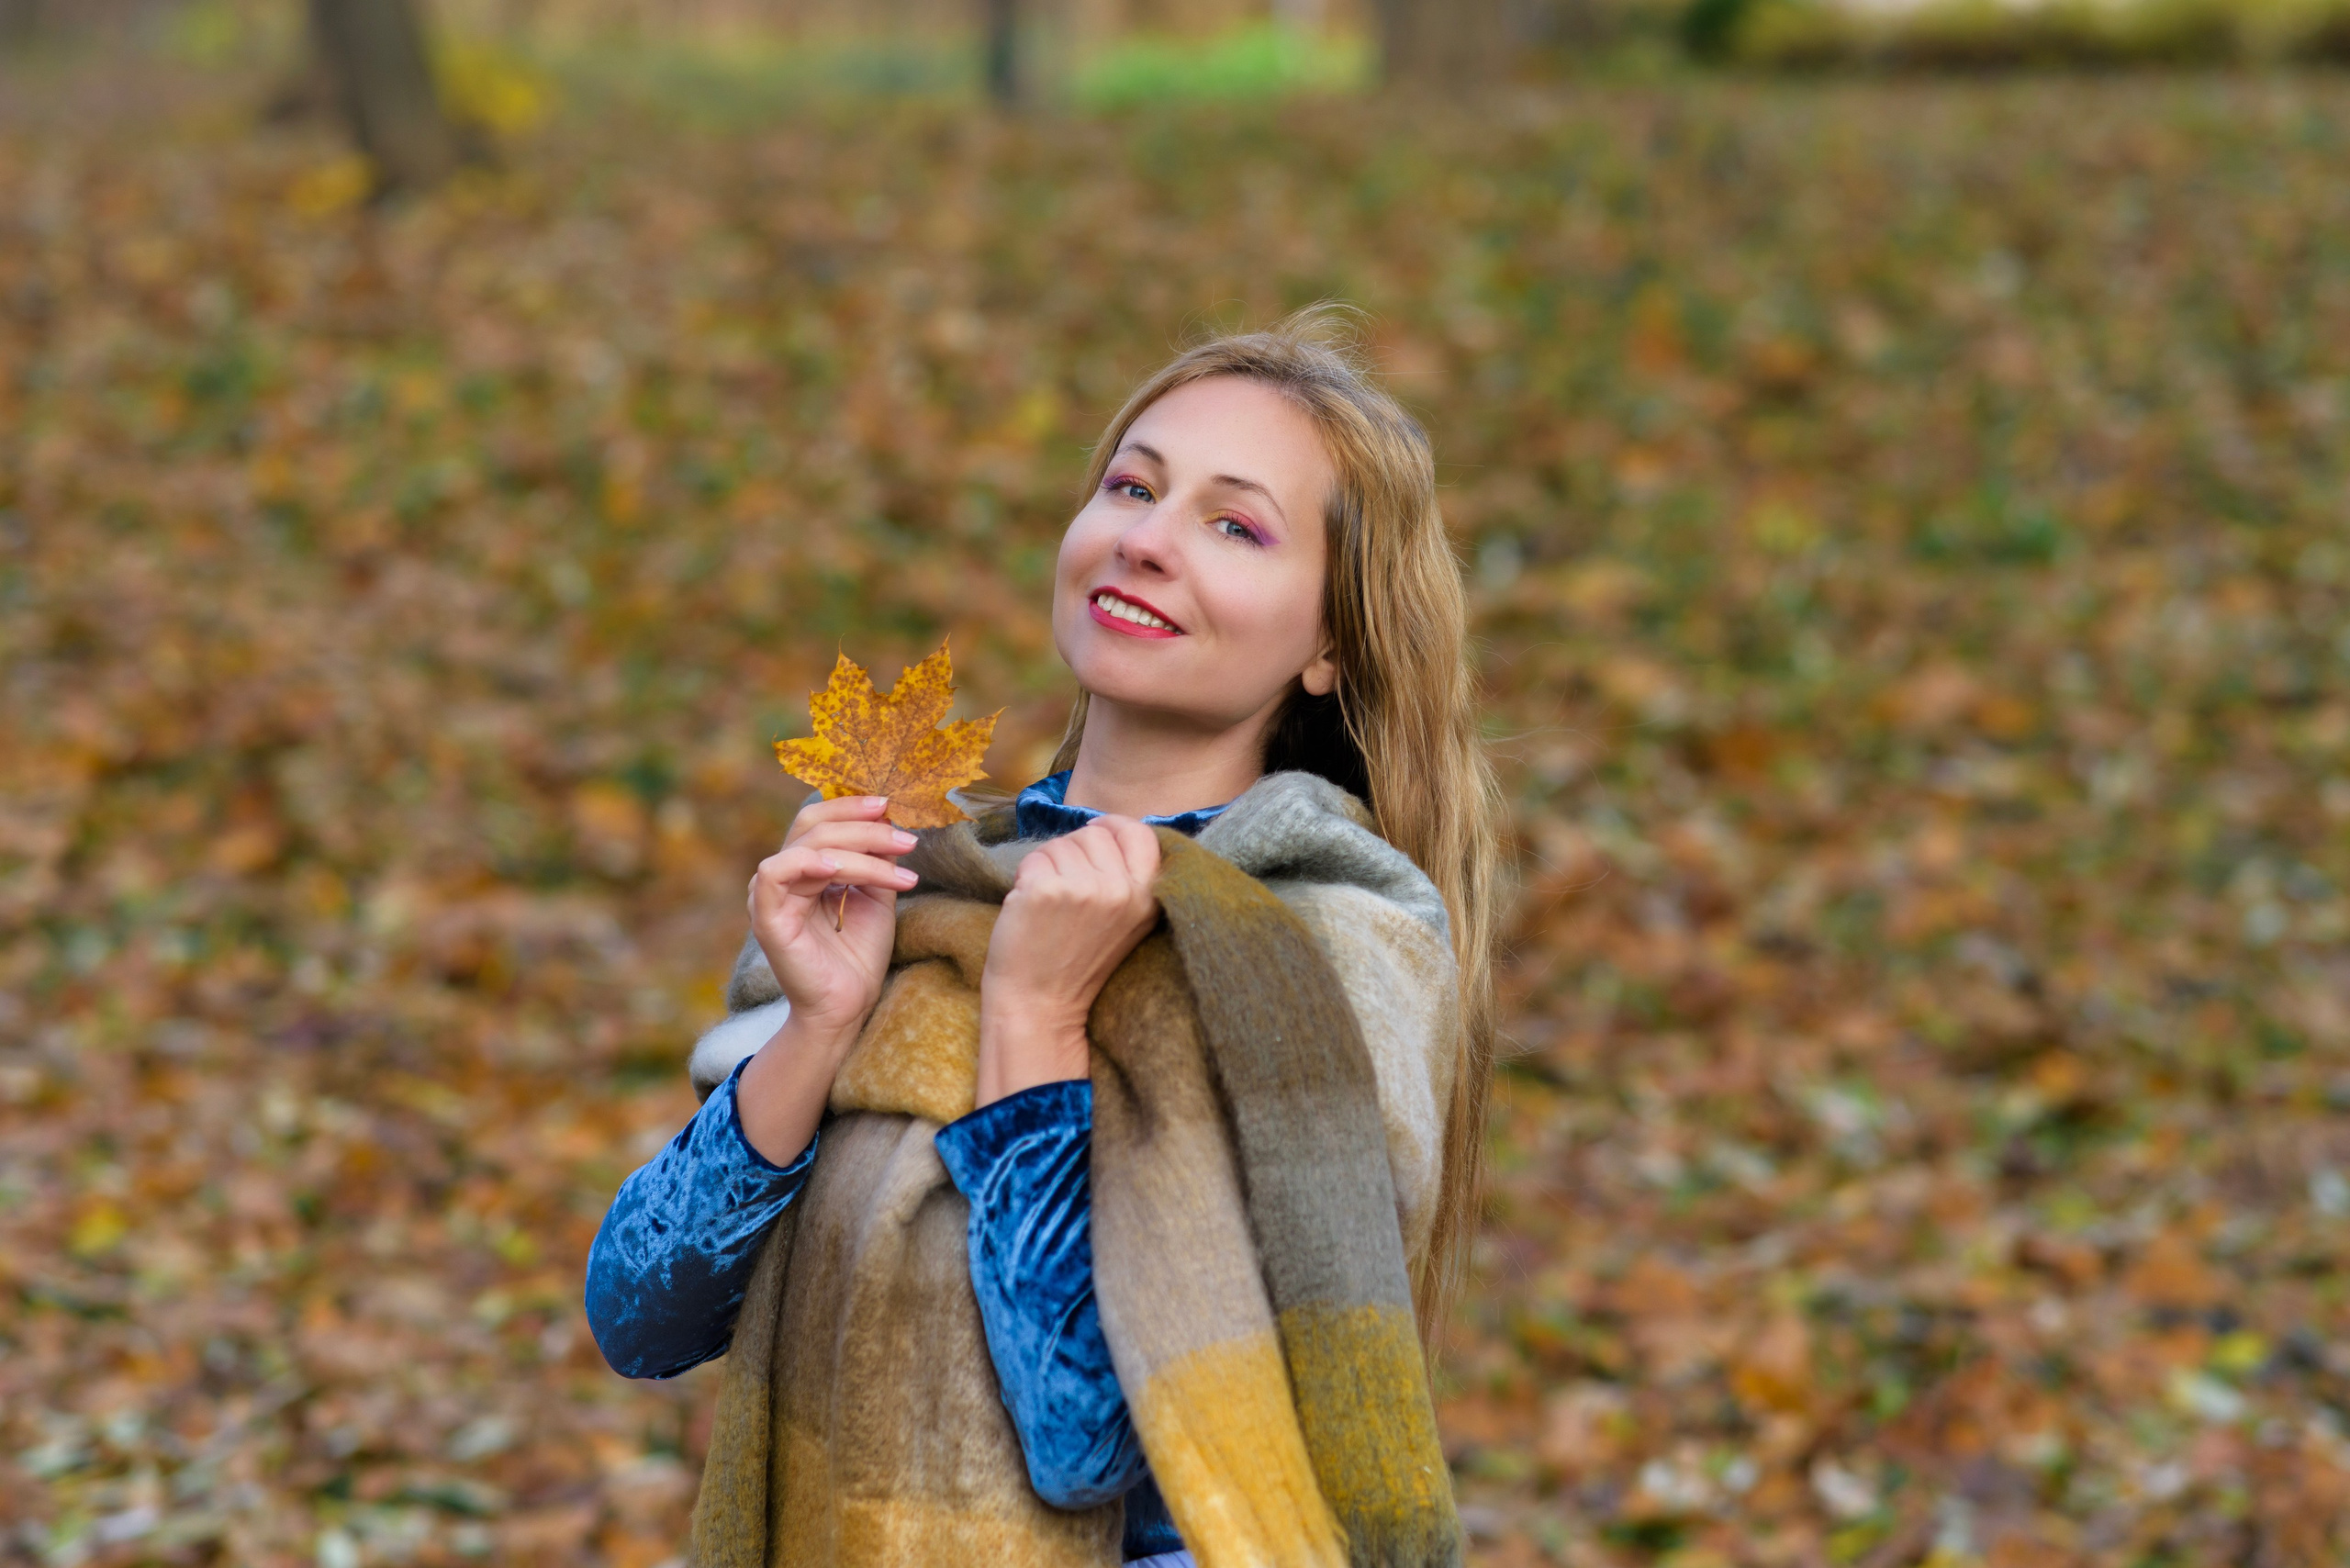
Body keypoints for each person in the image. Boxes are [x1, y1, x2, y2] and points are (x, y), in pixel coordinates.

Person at [586, 308, 1503, 1566]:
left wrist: (1033, 1024)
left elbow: (1088, 1441)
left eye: (1234, 526)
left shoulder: (1328, 948)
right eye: (1133, 487)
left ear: (1330, 644)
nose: (1147, 541)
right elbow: (642, 1318)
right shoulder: (921, 889)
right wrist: (817, 1028)